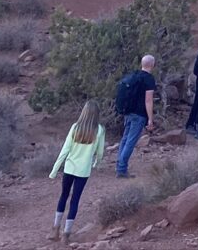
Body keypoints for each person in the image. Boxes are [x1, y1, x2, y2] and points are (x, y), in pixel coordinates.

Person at [49, 100, 105, 244]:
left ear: (84, 112)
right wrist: (96, 164)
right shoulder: (99, 130)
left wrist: (55, 170)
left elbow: (65, 150)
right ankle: (66, 234)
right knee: (75, 200)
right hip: (83, 171)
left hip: (69, 168)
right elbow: (100, 152)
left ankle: (55, 228)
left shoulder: (75, 127)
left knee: (64, 196)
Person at [115, 54, 157, 178]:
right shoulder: (149, 79)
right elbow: (148, 100)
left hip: (128, 112)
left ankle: (119, 165)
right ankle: (122, 169)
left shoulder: (134, 75)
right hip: (139, 114)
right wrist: (150, 119)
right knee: (131, 141)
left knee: (125, 139)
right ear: (152, 65)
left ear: (142, 64)